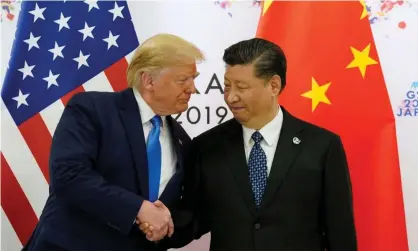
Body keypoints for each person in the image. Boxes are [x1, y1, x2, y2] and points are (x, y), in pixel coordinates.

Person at [141, 38, 358, 251]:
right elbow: (193, 219)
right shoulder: (207, 147)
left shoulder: (322, 146)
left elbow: (340, 232)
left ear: (274, 85)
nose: (231, 97)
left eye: (241, 87)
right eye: (227, 86)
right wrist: (160, 224)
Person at [22, 33, 205, 251]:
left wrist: (162, 227)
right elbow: (68, 175)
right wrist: (138, 209)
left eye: (194, 79)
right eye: (183, 79)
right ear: (149, 80)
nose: (192, 88)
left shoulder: (183, 141)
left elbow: (178, 212)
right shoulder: (92, 109)